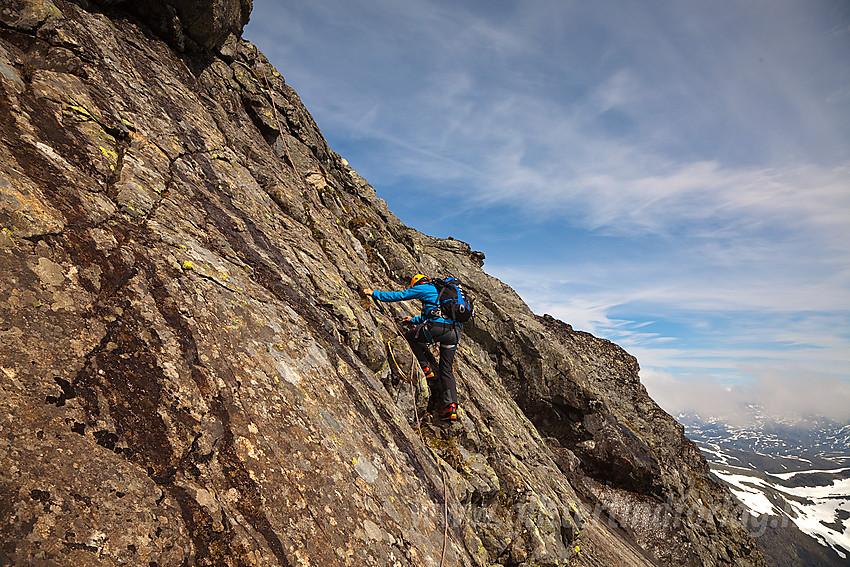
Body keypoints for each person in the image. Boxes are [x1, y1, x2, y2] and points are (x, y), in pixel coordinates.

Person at [363, 274, 461, 421]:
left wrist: (375, 293)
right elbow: (432, 313)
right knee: (446, 369)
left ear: (416, 283)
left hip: (437, 328)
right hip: (454, 332)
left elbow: (400, 295)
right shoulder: (442, 293)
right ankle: (451, 407)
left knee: (410, 338)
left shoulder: (423, 288)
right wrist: (413, 320)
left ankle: (426, 368)